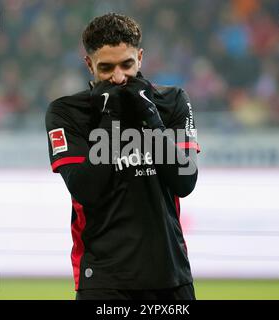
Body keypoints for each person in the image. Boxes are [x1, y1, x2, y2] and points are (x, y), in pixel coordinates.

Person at [45, 13, 200, 300]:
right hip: (104, 281)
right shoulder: (67, 112)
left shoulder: (172, 102)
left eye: (127, 64)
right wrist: (111, 116)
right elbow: (86, 188)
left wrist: (148, 113)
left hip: (170, 276)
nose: (118, 77)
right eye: (106, 68)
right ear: (89, 64)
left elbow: (184, 180)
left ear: (140, 58)